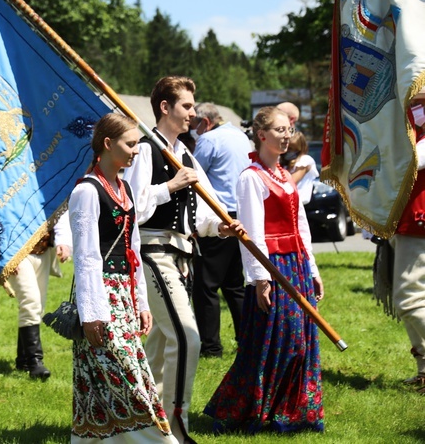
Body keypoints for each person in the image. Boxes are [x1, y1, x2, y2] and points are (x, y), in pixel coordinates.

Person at [121, 76, 240, 441]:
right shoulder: (144, 150)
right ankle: (175, 427)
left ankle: (139, 425)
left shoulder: (186, 153)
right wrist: (170, 185)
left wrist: (219, 227)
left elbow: (200, 214)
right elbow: (132, 208)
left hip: (183, 255)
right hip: (153, 254)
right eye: (187, 106)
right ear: (165, 107)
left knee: (157, 347)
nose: (193, 112)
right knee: (188, 337)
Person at [204, 106, 325, 434]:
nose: (287, 135)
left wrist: (312, 269)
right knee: (278, 341)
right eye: (280, 130)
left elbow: (300, 225)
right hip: (272, 266)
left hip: (296, 264)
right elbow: (252, 235)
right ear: (261, 135)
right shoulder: (250, 177)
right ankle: (245, 409)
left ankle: (294, 410)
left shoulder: (285, 175)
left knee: (301, 340)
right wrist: (260, 279)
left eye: (288, 130)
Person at [69, 112, 175, 442]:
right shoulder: (87, 192)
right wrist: (92, 315)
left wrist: (140, 301)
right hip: (100, 296)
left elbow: (133, 247)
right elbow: (86, 258)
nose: (136, 150)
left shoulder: (124, 187)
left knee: (110, 376)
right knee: (123, 372)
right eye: (131, 144)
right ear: (107, 143)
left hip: (123, 293)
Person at [191, 102, 251, 358]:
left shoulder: (209, 140)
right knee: (234, 284)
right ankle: (246, 340)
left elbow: (194, 174)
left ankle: (211, 346)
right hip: (240, 216)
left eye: (195, 125)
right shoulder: (240, 136)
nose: (193, 130)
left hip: (217, 219)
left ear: (205, 122)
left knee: (205, 285)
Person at [390, 93, 425, 393]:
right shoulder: (414, 111)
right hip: (409, 219)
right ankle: (424, 370)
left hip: (419, 221)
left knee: (408, 299)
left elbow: (410, 160)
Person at [10, 212, 71, 379]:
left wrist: (63, 242)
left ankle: (23, 360)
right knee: (31, 302)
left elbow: (59, 212)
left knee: (37, 308)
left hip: (43, 251)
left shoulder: (49, 185)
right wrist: (5, 254)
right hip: (17, 252)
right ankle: (35, 363)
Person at [280, 131, 318, 205]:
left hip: (301, 204)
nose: (288, 151)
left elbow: (291, 182)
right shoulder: (285, 163)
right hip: (287, 203)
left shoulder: (304, 160)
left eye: (292, 148)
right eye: (287, 148)